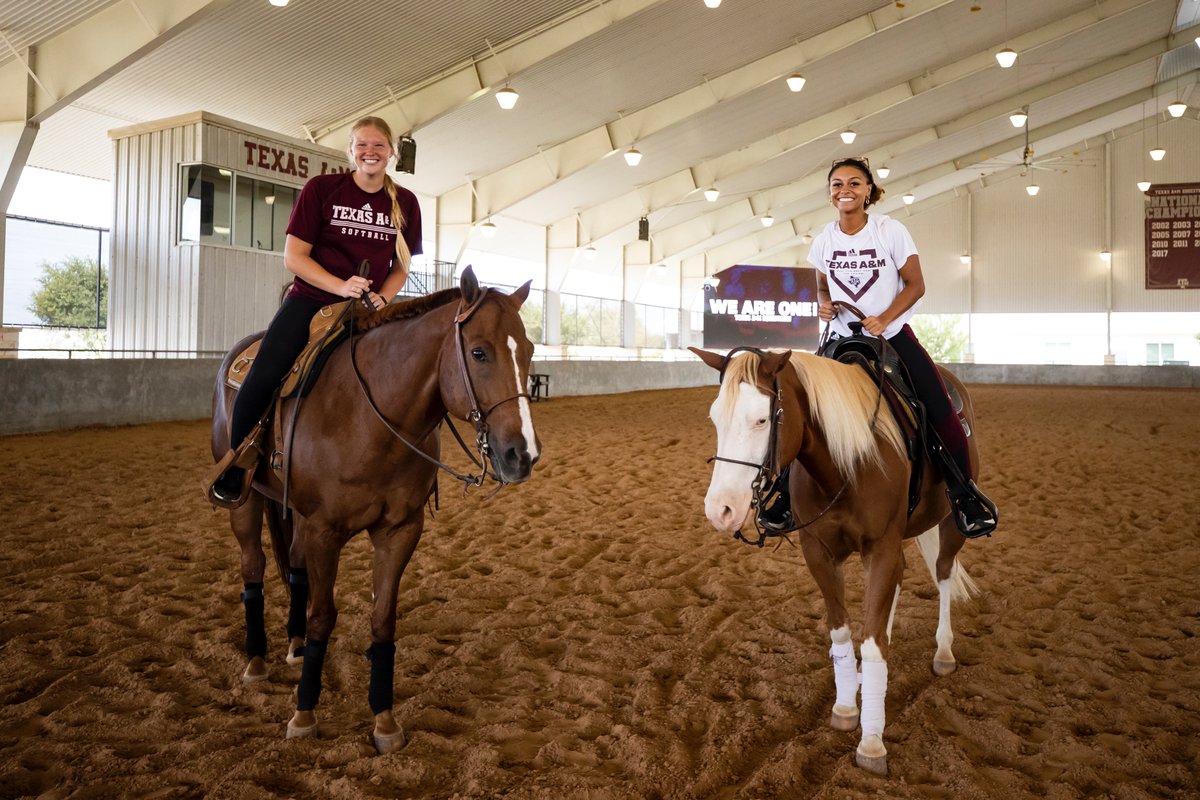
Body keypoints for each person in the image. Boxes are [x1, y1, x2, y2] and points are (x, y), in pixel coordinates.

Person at [758, 156, 997, 537]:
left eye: (854, 183)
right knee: (798, 408)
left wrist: (885, 318)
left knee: (938, 404)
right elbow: (821, 286)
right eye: (837, 184)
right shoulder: (824, 240)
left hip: (892, 336)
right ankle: (785, 495)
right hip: (839, 338)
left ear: (869, 190)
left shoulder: (890, 231)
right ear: (830, 193)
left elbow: (916, 285)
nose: (845, 190)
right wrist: (823, 303)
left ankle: (964, 493)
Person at [208, 116, 423, 507]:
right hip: (312, 300)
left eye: (378, 145)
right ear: (350, 151)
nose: (370, 152)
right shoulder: (322, 189)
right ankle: (237, 464)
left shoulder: (405, 203)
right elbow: (294, 257)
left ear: (392, 152)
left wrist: (384, 297)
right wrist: (340, 286)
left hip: (367, 308)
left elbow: (401, 266)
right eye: (362, 145)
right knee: (266, 371)